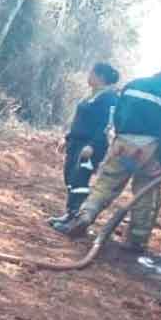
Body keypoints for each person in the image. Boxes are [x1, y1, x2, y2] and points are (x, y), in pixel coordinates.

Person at [57, 70, 161, 252]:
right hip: (151, 148)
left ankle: (85, 215)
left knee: (106, 184)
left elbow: (117, 115)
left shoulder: (134, 84)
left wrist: (119, 138)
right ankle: (136, 240)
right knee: (144, 195)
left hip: (123, 143)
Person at [49, 63, 119, 231]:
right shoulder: (90, 96)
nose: (88, 76)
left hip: (90, 146)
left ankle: (77, 221)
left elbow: (106, 125)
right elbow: (80, 121)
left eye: (91, 73)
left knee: (79, 180)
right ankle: (70, 213)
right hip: (76, 143)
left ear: (100, 76)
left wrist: (93, 145)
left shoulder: (109, 97)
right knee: (70, 178)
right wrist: (67, 138)